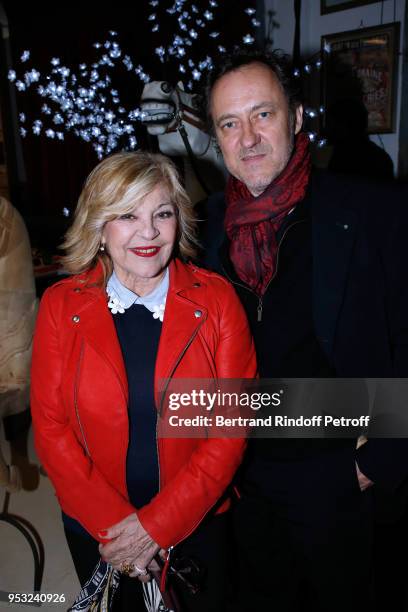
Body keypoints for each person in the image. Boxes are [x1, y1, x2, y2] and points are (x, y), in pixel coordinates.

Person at [202, 49, 408, 612]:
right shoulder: (201, 228)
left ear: (296, 118)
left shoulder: (373, 211)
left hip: (342, 473)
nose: (248, 137)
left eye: (262, 114)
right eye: (229, 123)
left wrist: (380, 461)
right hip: (241, 478)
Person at [30, 151, 257, 611]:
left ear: (180, 220)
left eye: (163, 213)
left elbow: (229, 431)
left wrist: (157, 526)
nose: (149, 232)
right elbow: (51, 430)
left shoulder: (217, 301)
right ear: (99, 225)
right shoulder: (59, 305)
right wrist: (120, 531)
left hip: (196, 523)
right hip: (98, 531)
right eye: (127, 215)